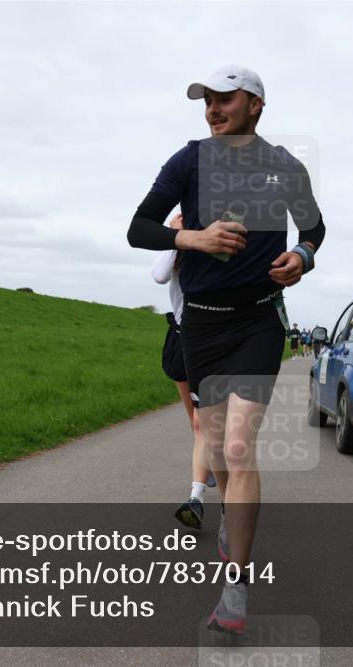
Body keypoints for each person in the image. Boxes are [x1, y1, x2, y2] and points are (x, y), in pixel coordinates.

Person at [127, 64, 325, 635]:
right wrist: (191, 236)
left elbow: (314, 229)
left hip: (258, 322)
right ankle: (224, 516)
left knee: (239, 450)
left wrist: (303, 258)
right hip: (203, 328)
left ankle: (235, 589)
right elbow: (139, 227)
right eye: (207, 100)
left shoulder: (285, 166)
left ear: (256, 104)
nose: (212, 109)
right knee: (215, 454)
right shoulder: (188, 160)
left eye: (225, 99)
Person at [152, 212, 219, 529]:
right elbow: (159, 275)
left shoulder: (217, 238)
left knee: (204, 424)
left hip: (213, 341)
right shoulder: (178, 238)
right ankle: (208, 470)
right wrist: (174, 237)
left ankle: (196, 498)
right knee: (196, 422)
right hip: (181, 340)